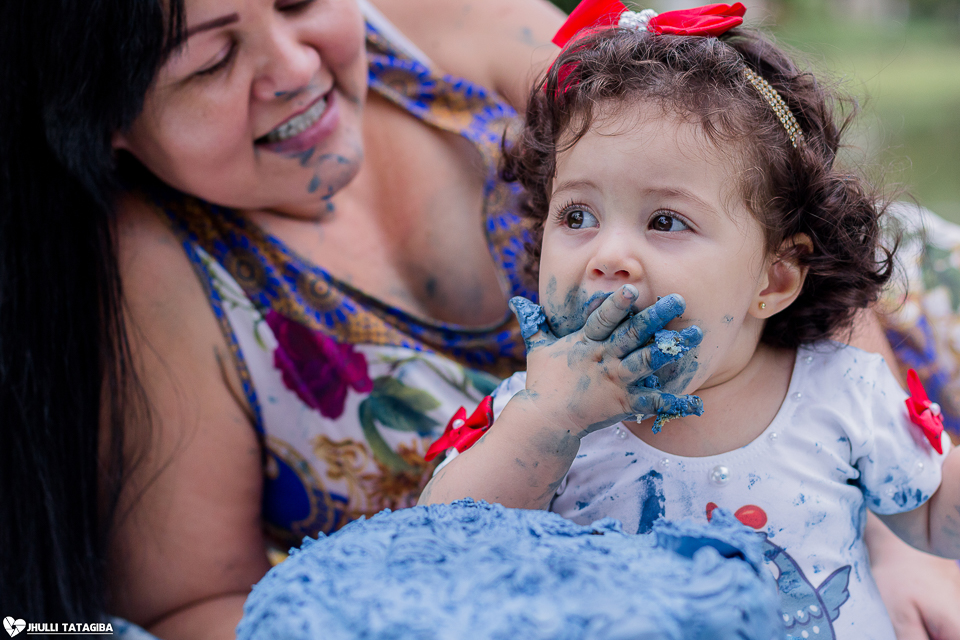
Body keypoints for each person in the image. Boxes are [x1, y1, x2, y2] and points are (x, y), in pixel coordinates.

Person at [2, 0, 959, 638]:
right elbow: (212, 598)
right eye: (212, 59)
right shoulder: (152, 275)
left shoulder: (451, 28)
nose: (292, 65)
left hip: (878, 333)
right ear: (104, 112)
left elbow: (761, 178)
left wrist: (890, 542)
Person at [418, 3, 960, 638]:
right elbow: (438, 552)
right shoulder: (533, 420)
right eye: (577, 216)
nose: (608, 256)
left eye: (665, 221)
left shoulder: (839, 391)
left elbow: (932, 516)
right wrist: (547, 423)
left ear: (773, 279)